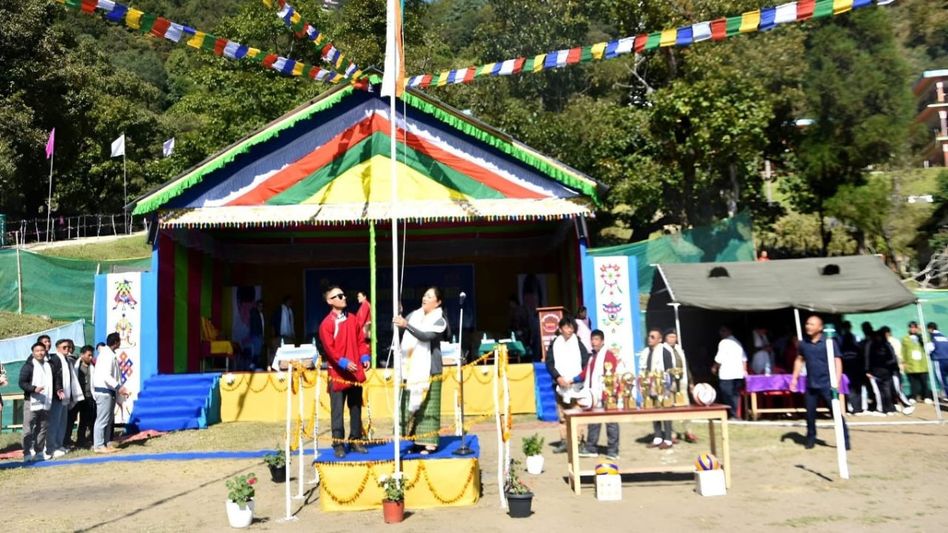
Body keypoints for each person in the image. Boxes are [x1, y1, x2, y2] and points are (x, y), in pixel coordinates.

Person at [394, 286, 449, 455]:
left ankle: (430, 444)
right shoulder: (414, 315)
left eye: (430, 296)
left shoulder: (440, 320)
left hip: (431, 369)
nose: (425, 298)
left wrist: (406, 324)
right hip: (412, 369)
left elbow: (426, 336)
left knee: (429, 407)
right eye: (424, 295)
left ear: (438, 302)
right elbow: (398, 330)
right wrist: (398, 318)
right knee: (413, 405)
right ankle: (416, 442)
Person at [319, 286, 369, 458]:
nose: (343, 297)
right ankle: (338, 443)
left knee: (355, 408)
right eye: (338, 296)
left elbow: (361, 341)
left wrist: (364, 357)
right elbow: (329, 350)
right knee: (337, 411)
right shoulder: (326, 324)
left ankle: (355, 440)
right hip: (338, 374)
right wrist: (343, 362)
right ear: (329, 301)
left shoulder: (353, 319)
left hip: (354, 372)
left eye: (343, 294)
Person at [790, 315, 850, 450]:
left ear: (820, 327)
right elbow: (799, 360)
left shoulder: (829, 342)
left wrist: (837, 381)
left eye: (811, 324)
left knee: (835, 413)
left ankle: (845, 440)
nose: (808, 327)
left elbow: (837, 361)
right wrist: (794, 378)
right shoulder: (803, 343)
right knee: (810, 414)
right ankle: (810, 439)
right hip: (811, 384)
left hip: (828, 384)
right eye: (807, 324)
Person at [545, 316, 589, 454]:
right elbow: (549, 362)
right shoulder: (555, 343)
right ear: (560, 329)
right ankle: (564, 441)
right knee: (562, 414)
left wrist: (575, 379)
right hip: (560, 384)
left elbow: (586, 361)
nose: (570, 330)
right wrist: (558, 377)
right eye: (567, 327)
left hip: (576, 385)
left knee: (578, 414)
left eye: (571, 327)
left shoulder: (578, 342)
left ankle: (580, 442)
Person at [579, 329, 620, 460]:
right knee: (594, 422)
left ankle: (613, 450)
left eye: (596, 339)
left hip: (607, 394)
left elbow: (612, 376)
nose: (593, 342)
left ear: (602, 341)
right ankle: (591, 447)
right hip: (595, 395)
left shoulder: (608, 356)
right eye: (592, 339)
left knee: (611, 422)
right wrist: (570, 380)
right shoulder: (593, 357)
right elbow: (584, 373)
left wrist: (610, 394)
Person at [641, 328, 676, 449]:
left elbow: (670, 369)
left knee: (665, 412)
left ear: (660, 339)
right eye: (649, 336)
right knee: (654, 412)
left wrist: (668, 386)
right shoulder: (647, 351)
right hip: (651, 386)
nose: (649, 339)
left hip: (663, 387)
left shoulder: (665, 351)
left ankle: (668, 439)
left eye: (653, 337)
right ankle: (657, 437)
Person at [92, 333, 127, 454]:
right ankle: (98, 445)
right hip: (104, 391)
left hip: (109, 391)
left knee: (108, 419)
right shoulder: (106, 355)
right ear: (117, 342)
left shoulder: (109, 354)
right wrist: (118, 386)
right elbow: (106, 375)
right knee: (102, 419)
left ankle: (106, 442)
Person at [48, 339, 83, 457]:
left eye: (69, 347)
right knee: (54, 423)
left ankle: (59, 444)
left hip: (65, 397)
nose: (67, 349)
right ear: (57, 348)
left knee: (62, 422)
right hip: (57, 397)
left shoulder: (67, 360)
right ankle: (51, 447)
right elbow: (53, 378)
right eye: (64, 347)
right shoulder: (55, 360)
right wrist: (57, 391)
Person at [19, 342, 53, 461]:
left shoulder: (48, 366)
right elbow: (22, 383)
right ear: (33, 353)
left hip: (46, 400)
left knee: (42, 427)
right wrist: (34, 389)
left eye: (42, 350)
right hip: (31, 401)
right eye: (37, 351)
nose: (40, 353)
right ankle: (27, 452)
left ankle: (39, 452)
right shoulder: (28, 366)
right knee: (28, 427)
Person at [664, 329, 698, 443]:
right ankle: (672, 433)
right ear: (665, 338)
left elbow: (686, 366)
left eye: (674, 337)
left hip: (682, 382)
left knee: (685, 407)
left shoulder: (679, 350)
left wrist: (691, 381)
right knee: (671, 408)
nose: (672, 339)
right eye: (670, 337)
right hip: (670, 383)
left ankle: (688, 432)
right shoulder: (663, 350)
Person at [712, 326, 746, 420]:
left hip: (727, 374)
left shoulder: (724, 342)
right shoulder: (737, 342)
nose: (721, 333)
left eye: (723, 331)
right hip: (738, 373)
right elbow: (744, 358)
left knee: (727, 394)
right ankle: (736, 414)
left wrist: (714, 367)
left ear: (729, 331)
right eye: (720, 331)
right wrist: (744, 370)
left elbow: (720, 358)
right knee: (735, 395)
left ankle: (733, 414)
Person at [880, 326, 915, 414]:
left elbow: (896, 356)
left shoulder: (893, 342)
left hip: (894, 369)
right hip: (888, 370)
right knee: (891, 388)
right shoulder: (884, 343)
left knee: (897, 388)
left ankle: (908, 405)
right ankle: (895, 404)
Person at [901, 322, 932, 403]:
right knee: (913, 382)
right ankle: (913, 396)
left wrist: (921, 331)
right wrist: (903, 362)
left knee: (924, 381)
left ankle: (926, 396)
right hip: (911, 364)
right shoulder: (905, 338)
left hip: (922, 363)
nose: (913, 329)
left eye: (914, 327)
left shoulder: (923, 337)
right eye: (911, 327)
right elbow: (903, 351)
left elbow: (927, 343)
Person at [73, 345, 97, 448]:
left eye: (92, 355)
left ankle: (90, 440)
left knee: (88, 420)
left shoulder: (93, 366)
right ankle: (77, 441)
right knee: (73, 420)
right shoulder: (75, 366)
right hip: (77, 396)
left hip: (89, 397)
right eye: (89, 355)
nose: (91, 357)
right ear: (82, 355)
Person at [839, 321, 863, 414]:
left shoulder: (840, 338)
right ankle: (856, 407)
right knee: (855, 387)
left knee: (849, 386)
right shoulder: (855, 338)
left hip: (847, 364)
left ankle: (852, 407)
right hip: (854, 364)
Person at [926, 322, 948, 400]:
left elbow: (929, 349)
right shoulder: (944, 337)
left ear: (930, 329)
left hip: (939, 360)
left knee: (941, 379)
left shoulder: (933, 337)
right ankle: (944, 393)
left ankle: (946, 394)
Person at [247, 299, 266, 369]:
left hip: (260, 335)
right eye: (259, 306)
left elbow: (262, 326)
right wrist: (258, 335)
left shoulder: (261, 314)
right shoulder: (254, 313)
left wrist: (262, 336)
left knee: (259, 351)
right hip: (256, 335)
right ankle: (252, 365)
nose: (261, 307)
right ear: (257, 306)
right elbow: (254, 325)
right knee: (256, 351)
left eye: (262, 306)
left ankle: (255, 365)